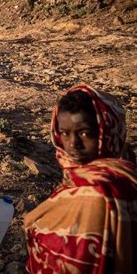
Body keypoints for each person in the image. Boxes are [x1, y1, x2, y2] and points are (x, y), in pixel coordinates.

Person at [24, 85, 137, 273]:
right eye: (65, 133)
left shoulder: (100, 190)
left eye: (84, 133)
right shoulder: (121, 170)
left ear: (106, 131)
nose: (73, 144)